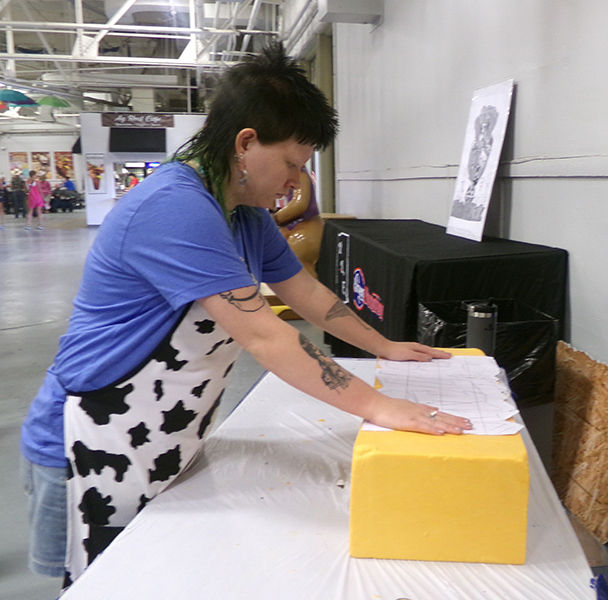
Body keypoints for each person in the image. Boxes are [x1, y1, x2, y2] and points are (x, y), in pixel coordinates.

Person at [20, 43, 472, 589]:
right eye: (291, 164)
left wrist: (384, 347)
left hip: (163, 434)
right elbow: (265, 336)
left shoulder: (245, 215)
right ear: (245, 143)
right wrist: (377, 405)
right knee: (105, 585)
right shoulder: (177, 207)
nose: (294, 182)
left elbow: (305, 292)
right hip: (90, 438)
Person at [273, 167, 324, 277]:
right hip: (293, 226)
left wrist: (276, 218)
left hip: (306, 227)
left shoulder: (299, 174)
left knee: (298, 263)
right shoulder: (287, 175)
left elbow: (299, 204)